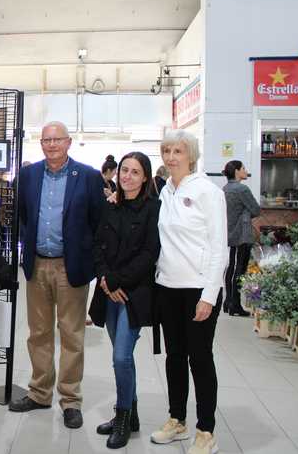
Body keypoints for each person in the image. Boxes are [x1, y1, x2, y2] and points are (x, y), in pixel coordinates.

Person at [9, 121, 104, 429]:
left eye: (57, 139)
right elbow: (22, 215)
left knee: (72, 335)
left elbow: (97, 222)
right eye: (47, 140)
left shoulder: (88, 177)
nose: (51, 144)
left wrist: (91, 260)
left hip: (71, 266)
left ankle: (71, 400)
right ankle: (39, 393)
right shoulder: (29, 175)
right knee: (38, 333)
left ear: (68, 142)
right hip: (37, 265)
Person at [151, 130, 227, 454]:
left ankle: (206, 430)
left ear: (190, 155)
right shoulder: (165, 190)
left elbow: (218, 248)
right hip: (168, 287)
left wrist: (209, 295)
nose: (171, 157)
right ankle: (177, 419)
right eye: (167, 150)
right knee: (174, 358)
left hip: (199, 289)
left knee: (200, 358)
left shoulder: (208, 192)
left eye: (178, 151)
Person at [88, 152, 160, 449]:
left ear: (145, 178)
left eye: (135, 172)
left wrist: (118, 281)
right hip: (108, 292)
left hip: (134, 293)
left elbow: (150, 253)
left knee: (121, 356)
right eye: (124, 170)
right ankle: (132, 414)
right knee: (121, 356)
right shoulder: (110, 206)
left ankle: (122, 416)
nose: (127, 176)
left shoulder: (154, 208)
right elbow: (97, 245)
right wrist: (105, 279)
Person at [222, 160, 260, 317]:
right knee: (240, 269)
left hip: (229, 233)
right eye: (243, 168)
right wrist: (246, 213)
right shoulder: (242, 189)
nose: (246, 170)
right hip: (242, 234)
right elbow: (256, 210)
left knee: (231, 267)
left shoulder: (225, 188)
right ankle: (235, 304)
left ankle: (228, 301)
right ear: (237, 171)